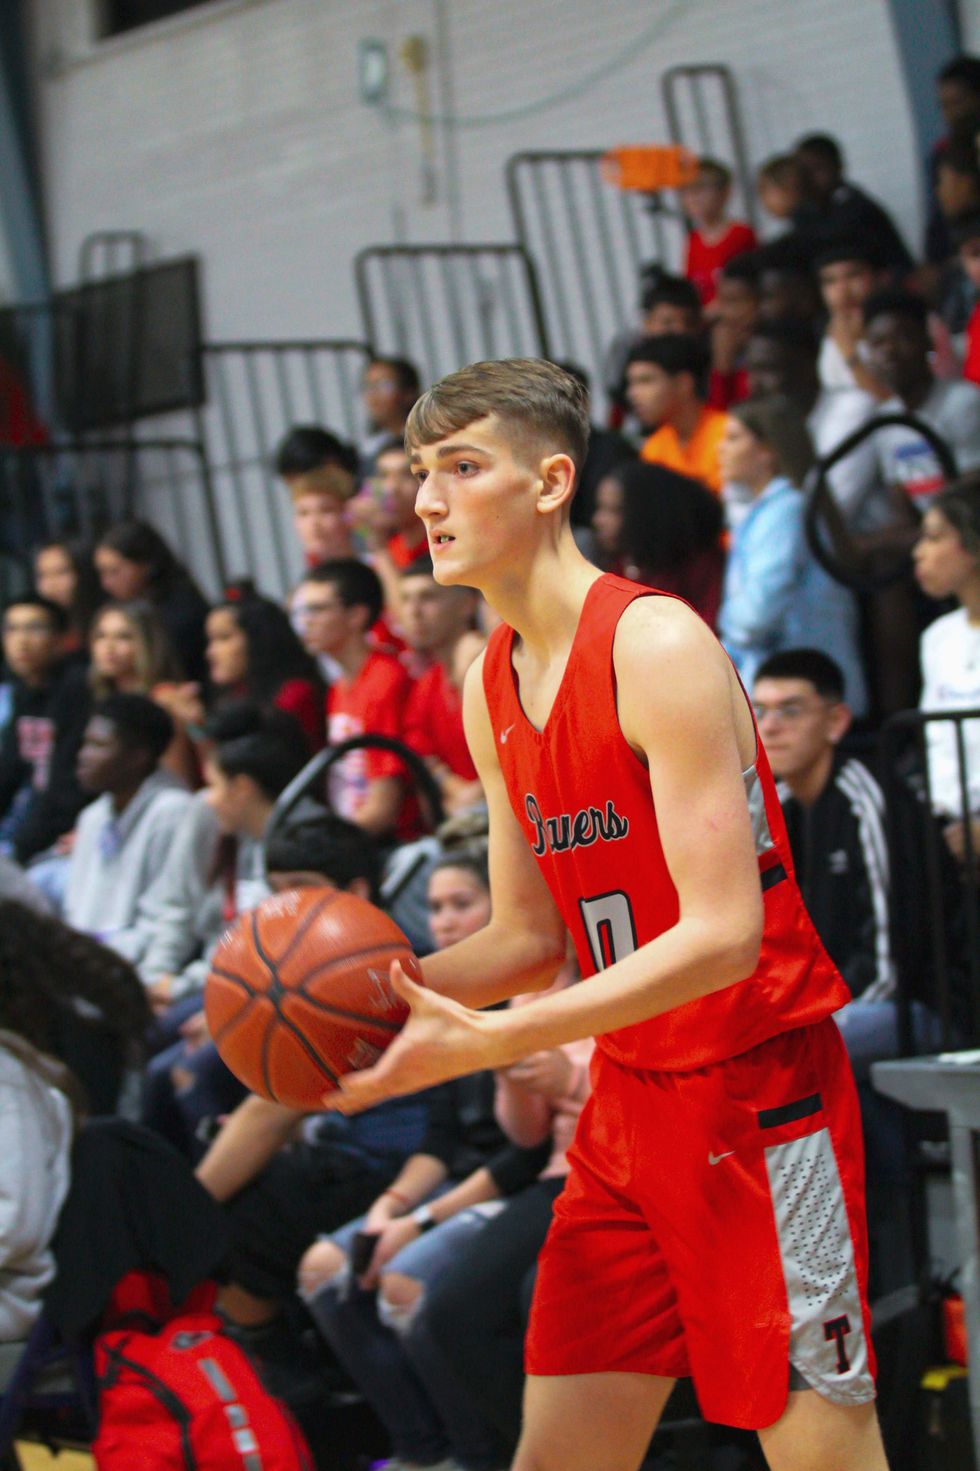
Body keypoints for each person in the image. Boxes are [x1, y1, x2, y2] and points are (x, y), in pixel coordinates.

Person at [325, 358, 887, 1470]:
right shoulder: (489, 682)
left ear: (549, 483)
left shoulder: (654, 643)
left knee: (822, 1452)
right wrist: (355, 1004)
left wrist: (500, 1037)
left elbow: (722, 935)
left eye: (460, 467)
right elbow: (527, 936)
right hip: (628, 1105)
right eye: (420, 471)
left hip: (754, 1091)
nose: (426, 500)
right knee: (560, 1455)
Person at [299, 849, 547, 1471]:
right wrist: (390, 1208)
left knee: (404, 1285)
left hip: (508, 1187)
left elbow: (525, 1154)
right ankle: (418, 1449)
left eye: (462, 904)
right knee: (324, 1271)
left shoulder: (532, 998)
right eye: (435, 908)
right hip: (456, 1183)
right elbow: (437, 1141)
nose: (445, 921)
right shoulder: (436, 1008)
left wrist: (422, 1221)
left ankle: (475, 1455)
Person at [718, 396, 868, 714]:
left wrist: (724, 621)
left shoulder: (785, 511)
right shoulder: (772, 509)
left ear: (766, 450)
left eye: (733, 438)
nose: (721, 449)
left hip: (806, 698)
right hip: (793, 692)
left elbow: (755, 616)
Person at [294, 559, 414, 838]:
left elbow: (384, 806)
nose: (305, 622)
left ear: (356, 616)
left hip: (391, 841)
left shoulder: (384, 680)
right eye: (301, 611)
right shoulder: (339, 687)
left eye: (317, 610)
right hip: (356, 831)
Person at [63, 694, 192, 954]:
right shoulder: (92, 816)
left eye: (98, 745)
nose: (83, 755)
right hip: (86, 960)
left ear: (138, 756)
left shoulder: (174, 812)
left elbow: (170, 917)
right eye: (85, 743)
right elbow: (75, 913)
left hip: (133, 964)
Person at [913, 474, 980, 857]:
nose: (919, 552)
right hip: (948, 834)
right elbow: (937, 742)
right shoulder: (938, 637)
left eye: (934, 537)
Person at [0, 593, 90, 865]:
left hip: (73, 838)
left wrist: (19, 852)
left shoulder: (78, 691)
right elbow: (9, 773)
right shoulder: (24, 692)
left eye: (34, 628)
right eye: (12, 629)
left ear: (61, 639)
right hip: (34, 830)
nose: (22, 641)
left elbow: (67, 789)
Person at [591, 461, 724, 628]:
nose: (598, 520)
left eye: (614, 510)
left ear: (646, 514)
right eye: (600, 508)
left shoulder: (698, 566)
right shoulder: (618, 565)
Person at [400, 560, 483, 818]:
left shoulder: (491, 662)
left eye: (428, 597)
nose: (413, 611)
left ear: (467, 605)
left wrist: (478, 793)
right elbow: (421, 749)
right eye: (405, 599)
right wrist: (455, 789)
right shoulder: (427, 683)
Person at [94, 520, 210, 682]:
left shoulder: (182, 614)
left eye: (115, 571)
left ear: (147, 566)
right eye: (102, 572)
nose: (106, 583)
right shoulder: (125, 607)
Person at [793, 134, 913, 277]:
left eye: (817, 168)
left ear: (838, 166)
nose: (808, 178)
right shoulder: (803, 212)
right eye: (803, 171)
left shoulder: (859, 208)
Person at [625, 335, 727, 494]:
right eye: (631, 384)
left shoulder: (727, 434)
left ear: (684, 383)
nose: (633, 394)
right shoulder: (654, 449)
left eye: (646, 381)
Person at [273, 424, 361, 568]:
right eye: (303, 513)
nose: (313, 523)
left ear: (330, 463)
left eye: (326, 510)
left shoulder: (375, 495)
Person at [679, 156, 756, 307]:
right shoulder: (693, 240)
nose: (693, 196)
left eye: (700, 187)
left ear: (725, 192)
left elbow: (749, 284)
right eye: (686, 189)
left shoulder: (741, 234)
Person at [33, 538, 103, 652]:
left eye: (61, 572)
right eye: (43, 575)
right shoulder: (38, 627)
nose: (50, 583)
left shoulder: (104, 624)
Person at [361, 356, 423, 476]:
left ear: (409, 393)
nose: (373, 395)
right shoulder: (370, 448)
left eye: (385, 385)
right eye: (368, 386)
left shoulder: (429, 439)